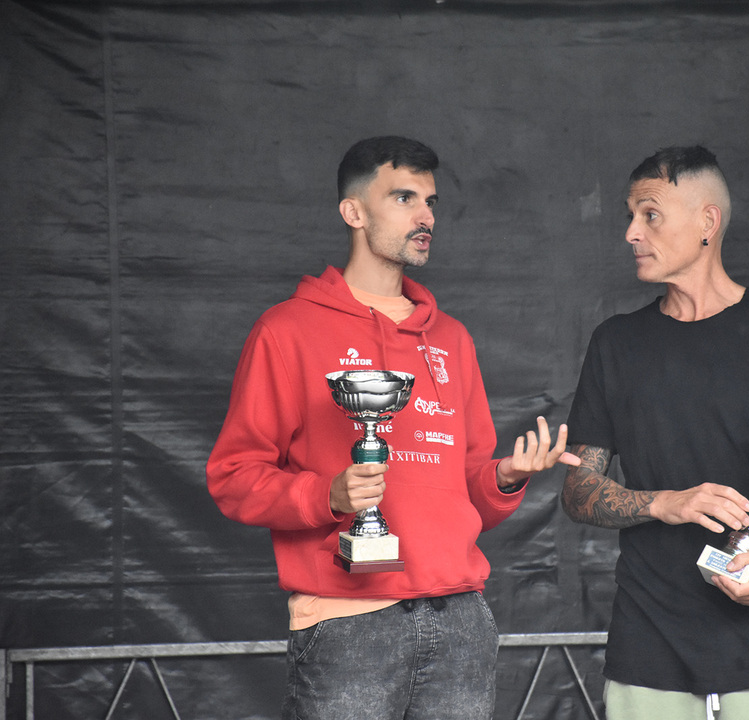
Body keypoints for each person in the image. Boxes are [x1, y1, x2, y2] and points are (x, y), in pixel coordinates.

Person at [207, 136, 579, 720]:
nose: (425, 216)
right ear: (353, 212)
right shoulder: (287, 330)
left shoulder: (450, 338)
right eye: (404, 198)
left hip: (460, 620)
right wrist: (327, 495)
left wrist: (505, 477)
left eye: (430, 202)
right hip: (347, 622)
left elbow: (469, 494)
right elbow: (233, 478)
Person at [561, 145, 749, 720]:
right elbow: (579, 490)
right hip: (650, 651)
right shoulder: (615, 343)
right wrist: (664, 503)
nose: (631, 232)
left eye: (650, 214)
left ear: (708, 221)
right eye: (629, 216)